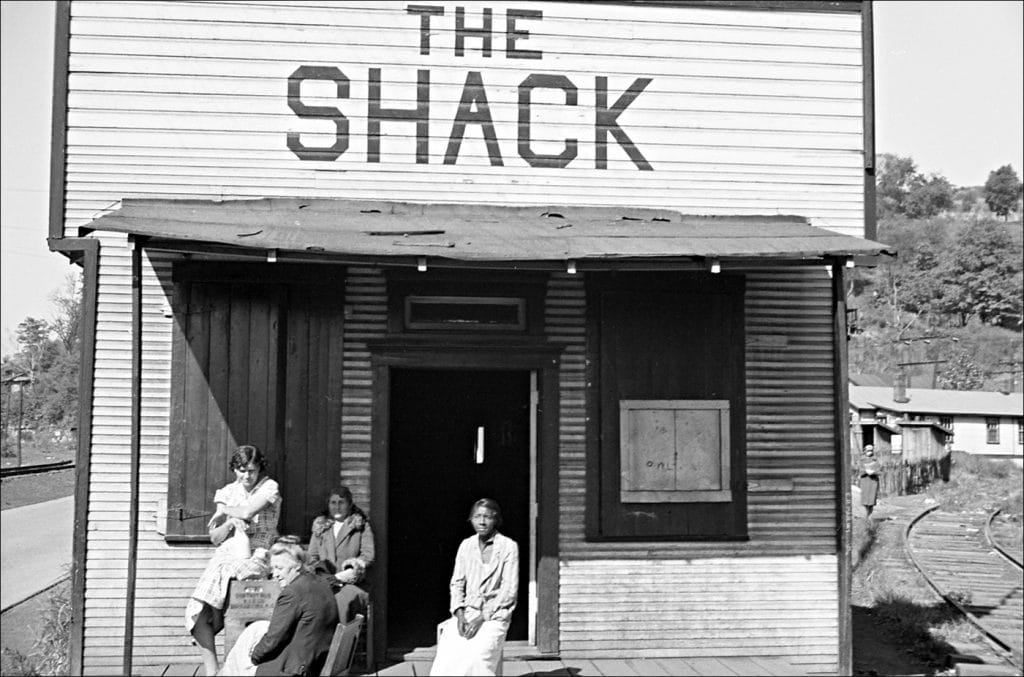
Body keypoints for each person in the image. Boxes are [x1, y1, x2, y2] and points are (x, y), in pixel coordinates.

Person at [186, 444, 281, 676]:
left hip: (261, 550)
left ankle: (221, 617)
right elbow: (216, 538)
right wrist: (229, 522)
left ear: (259, 469)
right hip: (227, 554)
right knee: (196, 611)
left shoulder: (268, 487)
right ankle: (213, 671)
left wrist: (225, 510)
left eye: (251, 470)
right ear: (234, 470)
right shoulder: (228, 491)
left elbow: (248, 512)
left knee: (239, 581)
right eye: (241, 470)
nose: (246, 476)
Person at [219, 538, 340, 676]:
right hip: (314, 660)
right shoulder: (320, 583)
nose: (275, 574)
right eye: (273, 568)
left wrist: (254, 658)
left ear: (297, 565)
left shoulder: (292, 593)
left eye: (280, 568)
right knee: (256, 629)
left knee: (238, 664)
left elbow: (273, 640)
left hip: (293, 669)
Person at [429, 498, 519, 677]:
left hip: (494, 615)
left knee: (477, 659)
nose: (482, 522)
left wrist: (481, 617)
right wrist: (460, 614)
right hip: (467, 612)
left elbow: (509, 591)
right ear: (471, 519)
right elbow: (457, 583)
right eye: (477, 516)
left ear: (496, 519)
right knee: (447, 659)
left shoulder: (509, 547)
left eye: (488, 517)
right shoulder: (466, 545)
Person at [307, 486, 376, 623]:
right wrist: (322, 574)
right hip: (325, 582)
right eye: (333, 503)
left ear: (349, 505)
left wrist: (352, 568)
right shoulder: (321, 527)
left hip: (352, 583)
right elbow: (312, 557)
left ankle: (341, 642)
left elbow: (368, 555)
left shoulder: (360, 526)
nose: (337, 507)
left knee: (340, 602)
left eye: (341, 502)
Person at [859, 444, 881, 518]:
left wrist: (874, 472)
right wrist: (865, 471)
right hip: (865, 482)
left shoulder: (875, 460)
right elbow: (859, 471)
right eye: (868, 450)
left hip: (873, 482)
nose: (869, 452)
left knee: (871, 501)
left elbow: (880, 471)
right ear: (865, 451)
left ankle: (870, 517)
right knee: (865, 501)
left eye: (871, 450)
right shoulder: (862, 460)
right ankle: (866, 516)